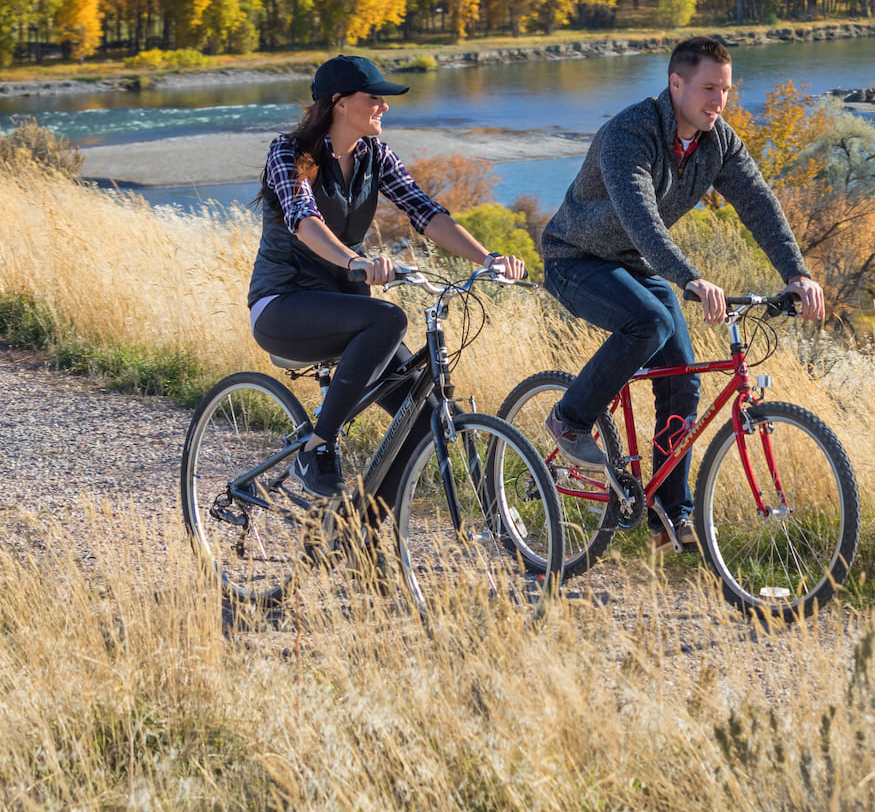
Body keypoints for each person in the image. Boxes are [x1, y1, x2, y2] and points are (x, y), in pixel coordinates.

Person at [539, 35, 826, 551]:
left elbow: (758, 203)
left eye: (727, 89)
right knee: (649, 321)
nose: (720, 100)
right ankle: (570, 418)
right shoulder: (630, 132)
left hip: (635, 264)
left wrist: (796, 273)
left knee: (683, 381)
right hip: (574, 258)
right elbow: (639, 215)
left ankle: (669, 517)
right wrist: (689, 276)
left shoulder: (719, 142)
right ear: (675, 83)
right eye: (709, 88)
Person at [247, 54, 527, 497]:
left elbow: (424, 211)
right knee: (389, 318)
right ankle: (316, 449)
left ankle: (360, 538)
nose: (385, 107)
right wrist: (355, 263)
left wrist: (488, 258)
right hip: (283, 304)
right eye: (374, 98)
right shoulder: (289, 152)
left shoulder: (375, 155)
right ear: (339, 103)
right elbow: (303, 220)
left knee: (418, 421)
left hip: (345, 309)